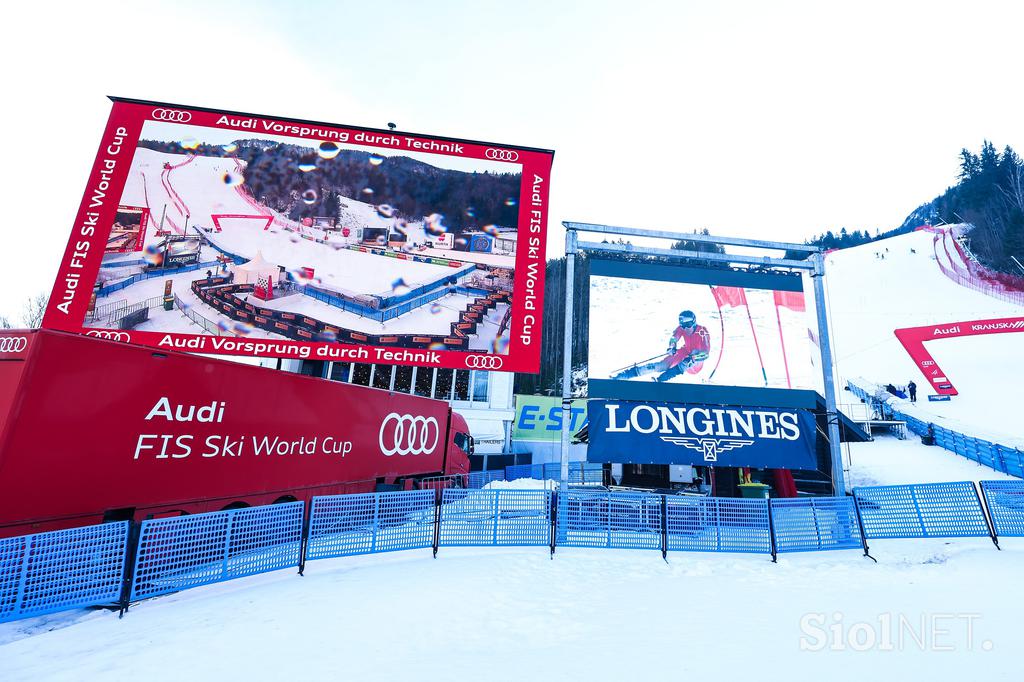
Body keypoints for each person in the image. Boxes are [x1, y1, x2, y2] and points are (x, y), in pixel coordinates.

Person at [612, 310, 711, 382]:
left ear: (694, 323)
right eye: (683, 326)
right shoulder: (682, 328)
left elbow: (706, 355)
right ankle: (626, 375)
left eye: (688, 325)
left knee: (690, 357)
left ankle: (663, 378)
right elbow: (674, 338)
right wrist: (672, 347)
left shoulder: (702, 331)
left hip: (696, 363)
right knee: (663, 364)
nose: (685, 328)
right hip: (685, 352)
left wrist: (693, 358)